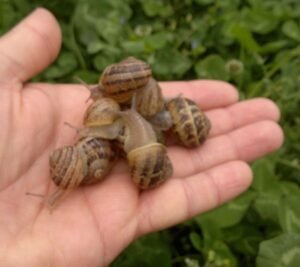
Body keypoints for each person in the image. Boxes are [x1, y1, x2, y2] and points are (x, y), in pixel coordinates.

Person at [0, 8, 283, 266]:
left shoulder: (134, 120)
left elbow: (131, 117)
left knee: (133, 120)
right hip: (130, 140)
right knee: (132, 121)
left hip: (136, 142)